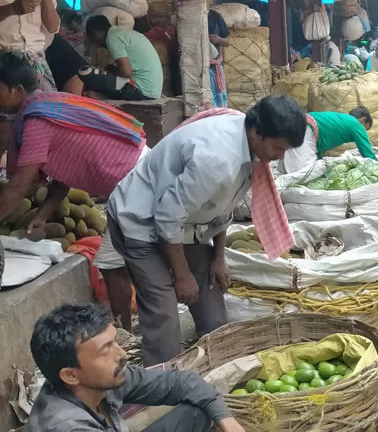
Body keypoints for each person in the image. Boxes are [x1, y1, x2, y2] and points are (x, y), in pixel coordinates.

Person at [107, 96, 306, 366]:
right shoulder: (217, 161)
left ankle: (215, 368)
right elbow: (166, 217)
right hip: (139, 220)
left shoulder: (249, 147)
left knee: (212, 300)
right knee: (164, 316)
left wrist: (219, 257)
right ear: (257, 132)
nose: (279, 157)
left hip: (186, 223)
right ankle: (159, 391)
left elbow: (222, 209)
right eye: (278, 148)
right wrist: (181, 275)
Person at [0, 52, 147, 332]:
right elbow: (63, 176)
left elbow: (20, 184)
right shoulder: (47, 105)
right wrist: (43, 214)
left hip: (133, 181)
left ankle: (126, 333)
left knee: (114, 262)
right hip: (135, 175)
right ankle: (129, 328)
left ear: (16, 91)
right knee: (123, 261)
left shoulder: (35, 121)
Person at [26, 303, 245, 432]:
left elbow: (182, 383)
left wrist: (227, 421)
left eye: (115, 343)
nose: (121, 354)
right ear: (71, 375)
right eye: (106, 351)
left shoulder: (102, 379)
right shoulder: (67, 426)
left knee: (198, 411)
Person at [0, 0, 59, 91]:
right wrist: (11, 9)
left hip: (36, 59)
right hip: (5, 59)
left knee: (47, 109)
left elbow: (52, 26)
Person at [84, 15, 163, 101]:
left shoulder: (113, 38)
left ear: (96, 33)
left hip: (141, 93)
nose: (96, 45)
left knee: (85, 72)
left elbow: (126, 73)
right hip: (153, 92)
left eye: (93, 40)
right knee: (110, 69)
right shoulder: (128, 34)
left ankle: (100, 98)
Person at [280, 107, 376, 174]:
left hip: (298, 123)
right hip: (306, 129)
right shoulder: (356, 124)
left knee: (288, 166)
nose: (363, 132)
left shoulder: (340, 119)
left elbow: (317, 145)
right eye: (365, 129)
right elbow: (367, 152)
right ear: (363, 120)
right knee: (304, 172)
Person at [208, 9, 230, 108]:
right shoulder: (189, 17)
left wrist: (218, 39)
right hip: (196, 69)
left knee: (219, 100)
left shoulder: (215, 16)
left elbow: (227, 42)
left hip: (214, 67)